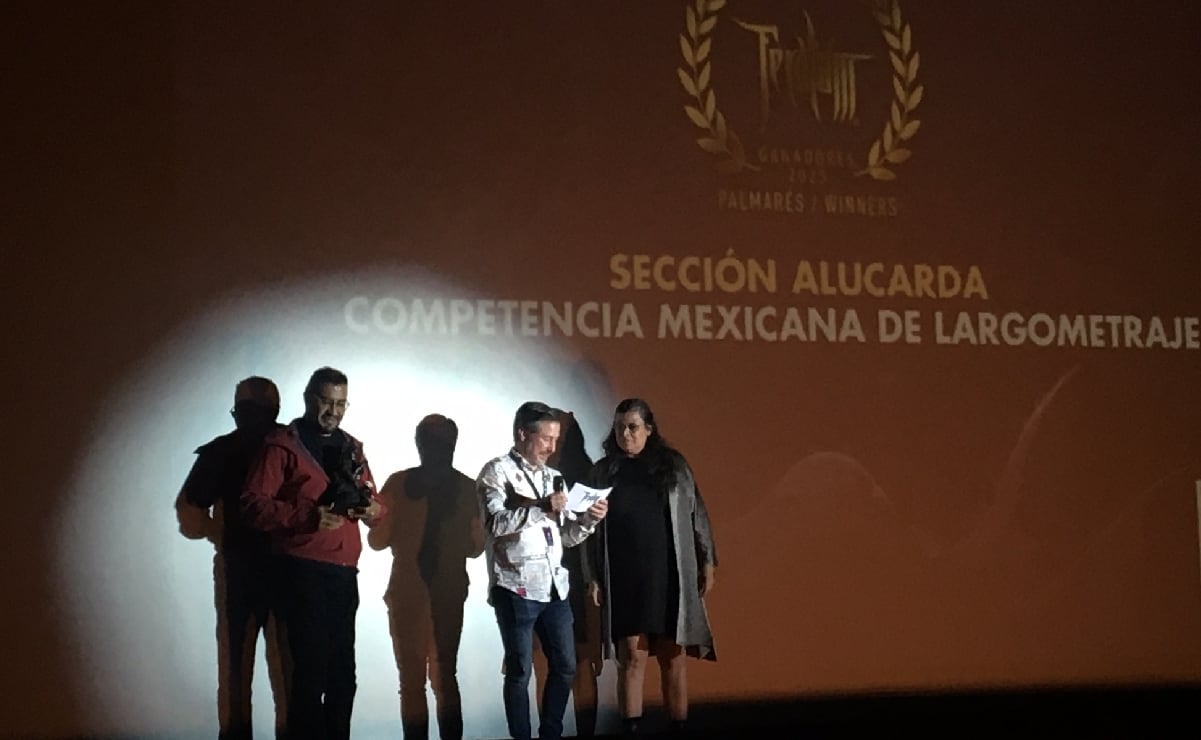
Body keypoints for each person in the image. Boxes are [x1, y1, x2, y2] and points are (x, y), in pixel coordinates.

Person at [241, 367, 386, 740]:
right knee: (310, 673)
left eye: (341, 403)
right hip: (299, 570)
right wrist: (305, 516)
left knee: (343, 676)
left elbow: (377, 504)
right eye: (327, 401)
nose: (334, 411)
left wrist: (373, 510)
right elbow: (251, 504)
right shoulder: (282, 444)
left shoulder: (353, 447)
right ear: (309, 399)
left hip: (343, 573)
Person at [583, 398, 717, 736]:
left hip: (668, 572)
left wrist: (708, 559)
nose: (625, 434)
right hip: (625, 575)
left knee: (673, 655)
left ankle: (679, 727)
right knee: (632, 655)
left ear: (649, 430)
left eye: (632, 427)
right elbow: (586, 530)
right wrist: (593, 576)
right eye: (619, 428)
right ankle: (631, 729)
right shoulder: (602, 471)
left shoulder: (673, 465)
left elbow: (696, 513)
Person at [476, 401, 609, 740]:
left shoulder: (555, 478)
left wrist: (588, 522)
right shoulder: (497, 472)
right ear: (522, 434)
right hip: (515, 586)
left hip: (554, 586)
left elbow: (564, 535)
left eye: (556, 439)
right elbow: (494, 524)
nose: (552, 447)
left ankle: (549, 733)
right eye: (545, 439)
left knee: (565, 665)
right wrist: (540, 507)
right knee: (520, 671)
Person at [176, 376, 289, 740]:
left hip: (237, 568)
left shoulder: (221, 450)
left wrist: (216, 534)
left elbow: (190, 511)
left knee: (236, 671)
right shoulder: (293, 447)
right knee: (288, 673)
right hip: (285, 571)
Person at [367, 414, 484, 740]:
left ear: (419, 443)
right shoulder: (466, 486)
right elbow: (476, 548)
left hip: (407, 592)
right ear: (454, 445)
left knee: (412, 682)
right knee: (445, 676)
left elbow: (377, 541)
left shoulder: (398, 483)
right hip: (447, 592)